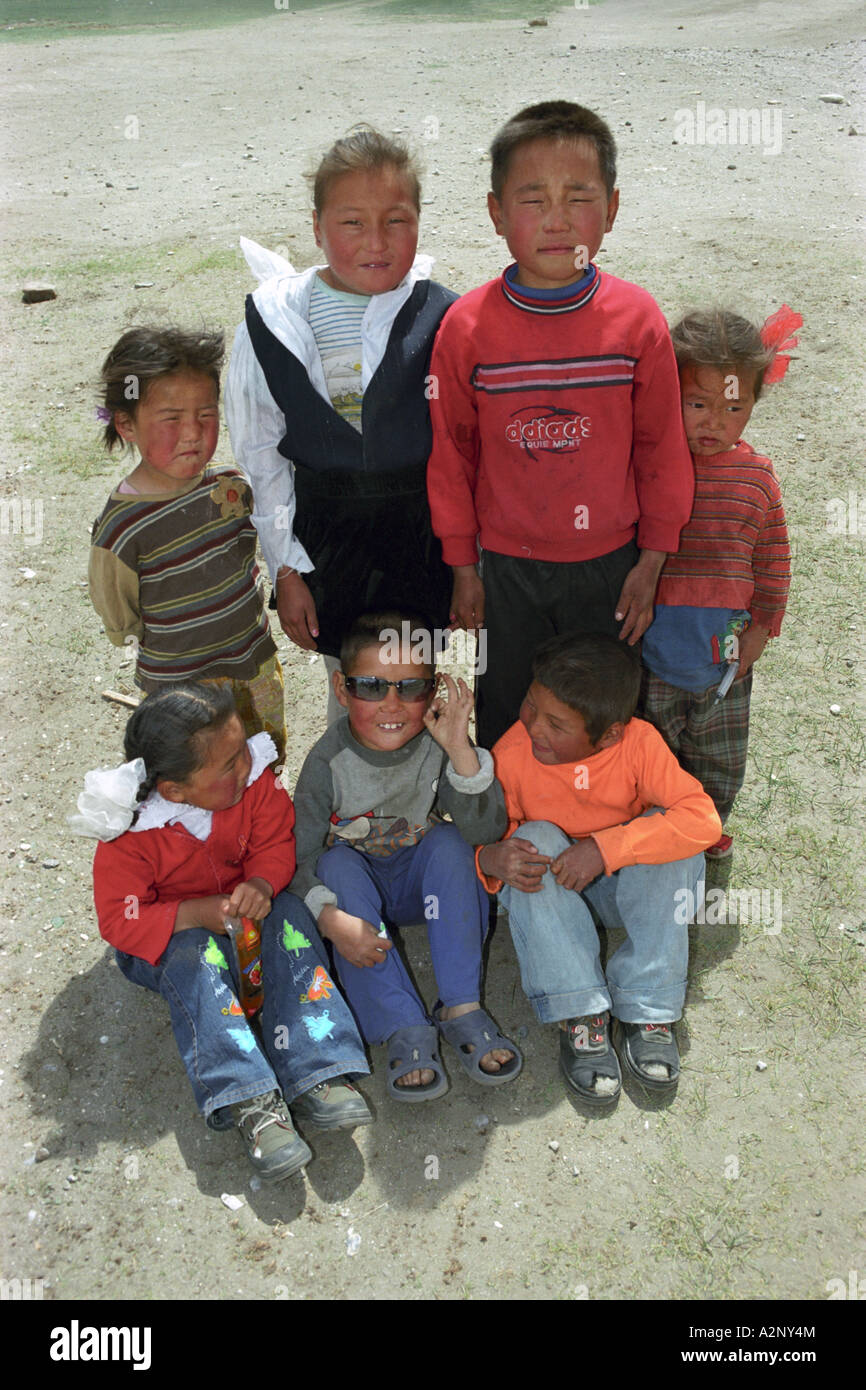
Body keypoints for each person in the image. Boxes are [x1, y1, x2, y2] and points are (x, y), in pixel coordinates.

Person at [426, 100, 695, 749]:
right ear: (495, 213)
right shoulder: (466, 328)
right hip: (508, 572)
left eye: (578, 197)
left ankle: (598, 836)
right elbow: (451, 455)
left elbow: (662, 449)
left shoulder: (636, 322)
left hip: (609, 565)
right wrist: (464, 565)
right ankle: (506, 830)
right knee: (511, 711)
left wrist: (652, 560)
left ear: (612, 209)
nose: (555, 219)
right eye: (532, 198)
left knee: (602, 713)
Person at [70, 683, 371, 1181]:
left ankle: (318, 1065)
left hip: (246, 920)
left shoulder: (252, 782)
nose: (246, 768)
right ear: (174, 791)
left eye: (241, 751)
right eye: (228, 765)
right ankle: (250, 1097)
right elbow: (119, 920)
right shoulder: (129, 834)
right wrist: (193, 913)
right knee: (192, 957)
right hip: (171, 942)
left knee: (291, 918)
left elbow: (276, 839)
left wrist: (260, 882)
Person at [224, 127, 456, 717]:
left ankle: (422, 796)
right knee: (355, 685)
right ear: (317, 226)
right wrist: (287, 567)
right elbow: (262, 455)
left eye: (396, 220)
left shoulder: (444, 314)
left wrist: (466, 562)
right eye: (352, 222)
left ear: (420, 221)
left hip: (419, 536)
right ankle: (349, 792)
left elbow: (465, 453)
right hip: (327, 538)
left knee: (413, 678)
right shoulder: (275, 319)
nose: (375, 241)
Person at [477, 633, 721, 1104]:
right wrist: (490, 858)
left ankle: (648, 1005)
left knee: (671, 836)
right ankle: (581, 1010)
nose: (535, 729)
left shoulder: (638, 744)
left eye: (556, 724)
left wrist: (607, 849)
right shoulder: (509, 754)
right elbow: (483, 838)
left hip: (626, 892)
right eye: (531, 705)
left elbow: (703, 819)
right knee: (535, 839)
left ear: (610, 733)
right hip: (554, 900)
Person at [289, 611, 522, 1101]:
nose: (391, 704)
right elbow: (300, 855)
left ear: (433, 691)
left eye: (410, 688)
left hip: (422, 887)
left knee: (452, 843)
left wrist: (460, 747)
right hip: (358, 898)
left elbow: (487, 830)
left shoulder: (437, 746)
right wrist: (329, 918)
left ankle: (461, 1007)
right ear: (340, 688)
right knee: (335, 865)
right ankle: (401, 1025)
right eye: (371, 686)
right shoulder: (326, 764)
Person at [639, 306, 797, 859]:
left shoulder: (756, 478)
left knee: (720, 753)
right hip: (652, 645)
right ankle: (658, 825)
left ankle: (708, 824)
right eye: (697, 404)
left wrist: (761, 632)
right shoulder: (648, 466)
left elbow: (773, 561)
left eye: (735, 408)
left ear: (755, 403)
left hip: (727, 654)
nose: (715, 423)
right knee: (652, 749)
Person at [89, 326, 287, 761]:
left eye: (206, 414)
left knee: (264, 759)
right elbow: (119, 610)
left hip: (253, 665)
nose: (193, 433)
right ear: (126, 424)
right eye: (172, 418)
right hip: (180, 689)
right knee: (198, 777)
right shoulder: (123, 526)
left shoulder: (232, 488)